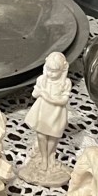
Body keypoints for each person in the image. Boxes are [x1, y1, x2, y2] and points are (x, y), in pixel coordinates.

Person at [20, 51, 72, 183]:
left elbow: (64, 100)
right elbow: (34, 94)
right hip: (42, 111)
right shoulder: (42, 80)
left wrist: (49, 98)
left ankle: (50, 157)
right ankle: (44, 159)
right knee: (41, 135)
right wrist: (40, 91)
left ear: (62, 69)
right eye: (48, 69)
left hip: (56, 113)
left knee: (53, 137)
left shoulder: (65, 83)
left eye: (54, 71)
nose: (50, 73)